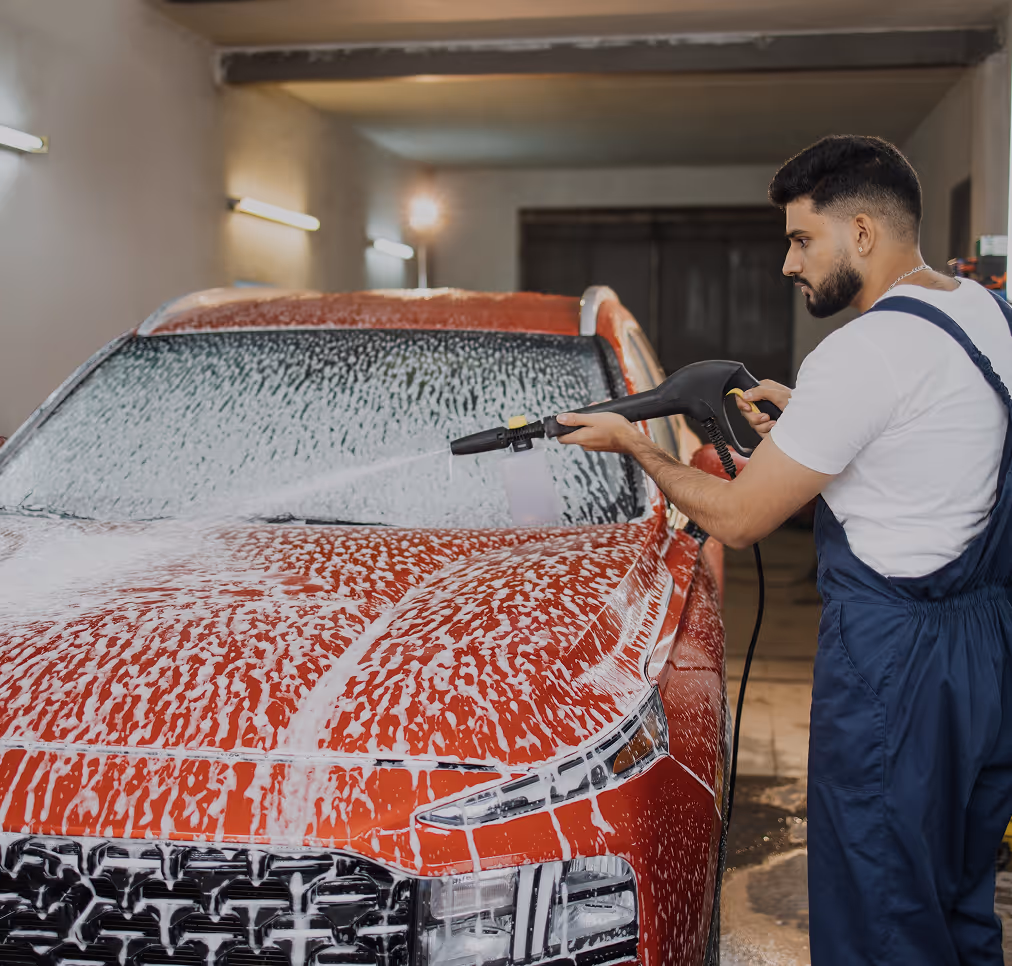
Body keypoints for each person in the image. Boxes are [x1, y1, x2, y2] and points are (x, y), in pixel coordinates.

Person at [556, 135, 1012, 965]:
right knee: (956, 903)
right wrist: (813, 415)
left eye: (803, 239)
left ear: (864, 233)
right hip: (986, 659)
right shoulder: (985, 312)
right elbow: (935, 432)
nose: (787, 264)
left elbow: (735, 518)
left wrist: (637, 447)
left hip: (895, 669)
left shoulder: (861, 353)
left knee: (880, 914)